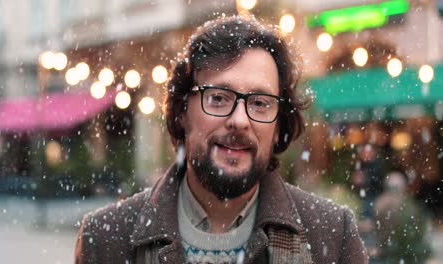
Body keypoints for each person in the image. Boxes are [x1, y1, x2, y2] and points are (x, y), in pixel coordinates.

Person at [74, 15, 367, 264]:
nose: (240, 120)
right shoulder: (106, 239)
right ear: (181, 113)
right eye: (218, 98)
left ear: (278, 126)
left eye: (260, 103)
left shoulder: (330, 235)